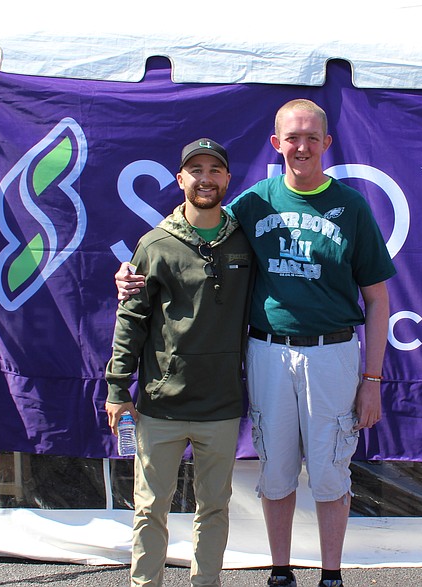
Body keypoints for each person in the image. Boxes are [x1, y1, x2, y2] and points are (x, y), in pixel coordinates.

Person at [117, 100, 396, 587]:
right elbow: (190, 229)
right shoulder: (253, 204)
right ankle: (281, 572)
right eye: (293, 137)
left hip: (333, 353)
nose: (302, 146)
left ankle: (332, 575)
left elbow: (377, 301)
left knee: (331, 472)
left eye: (312, 137)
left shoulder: (352, 208)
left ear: (327, 143)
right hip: (267, 351)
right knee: (276, 472)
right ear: (276, 144)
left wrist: (371, 379)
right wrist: (130, 273)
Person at [105, 138, 253, 587]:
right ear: (180, 179)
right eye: (196, 170)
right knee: (151, 510)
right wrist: (117, 388)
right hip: (160, 405)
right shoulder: (155, 245)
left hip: (221, 404)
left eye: (214, 170)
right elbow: (131, 318)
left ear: (227, 178)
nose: (205, 179)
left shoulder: (246, 241)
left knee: (214, 508)